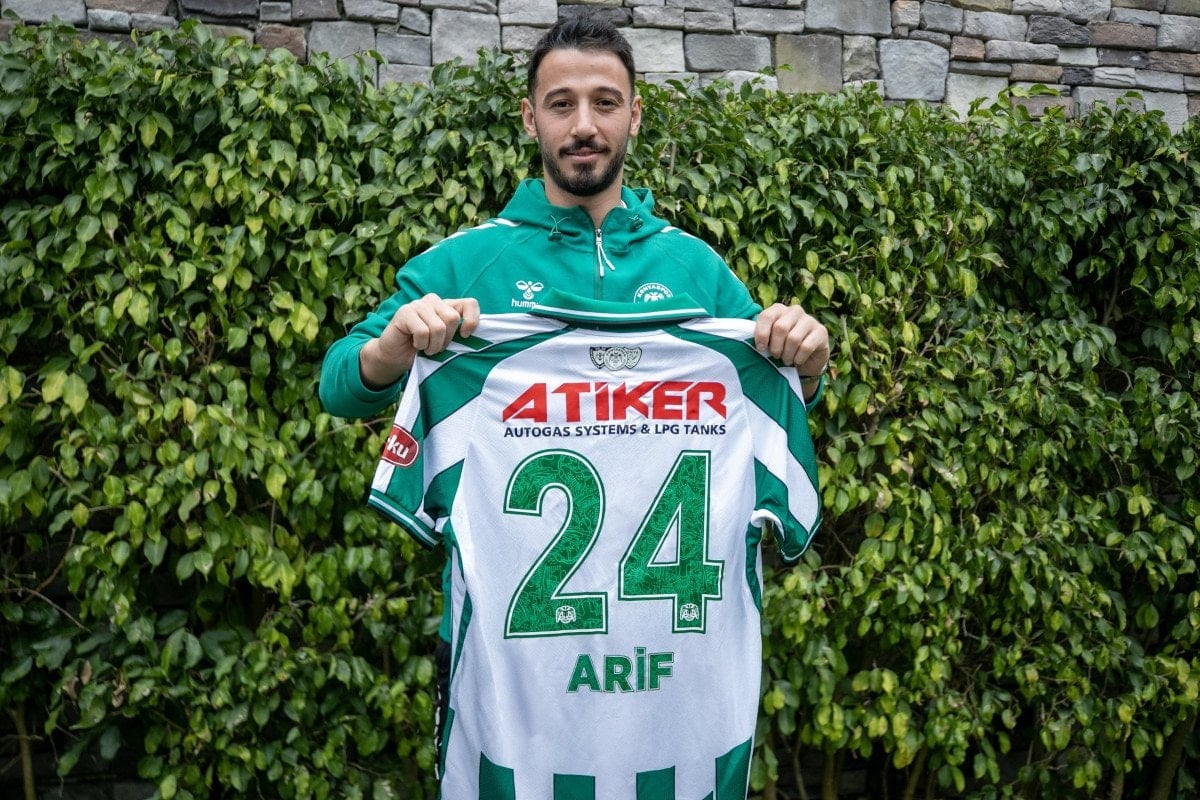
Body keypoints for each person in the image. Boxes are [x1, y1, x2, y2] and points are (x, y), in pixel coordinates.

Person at [318, 9, 830, 795]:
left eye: (604, 102)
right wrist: (394, 348)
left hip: (679, 701)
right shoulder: (466, 262)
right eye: (561, 104)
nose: (583, 125)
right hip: (516, 703)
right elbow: (339, 382)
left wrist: (806, 364)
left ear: (634, 114)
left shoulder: (696, 270)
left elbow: (766, 403)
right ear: (531, 119)